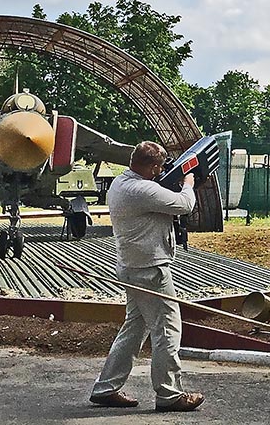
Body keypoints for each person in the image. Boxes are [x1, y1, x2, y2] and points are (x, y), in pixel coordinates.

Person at [89, 141, 205, 412]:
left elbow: (160, 196)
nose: (162, 171)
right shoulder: (143, 189)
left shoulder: (121, 183)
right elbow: (184, 205)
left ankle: (105, 388)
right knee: (167, 329)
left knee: (134, 328)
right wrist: (187, 181)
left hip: (131, 267)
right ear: (153, 167)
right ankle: (169, 394)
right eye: (161, 167)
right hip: (150, 271)